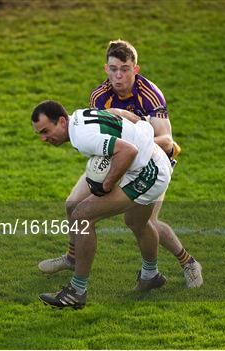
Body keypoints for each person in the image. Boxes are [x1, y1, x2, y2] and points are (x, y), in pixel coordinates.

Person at [38, 40, 203, 288]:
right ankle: (73, 258)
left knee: (142, 223)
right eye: (113, 69)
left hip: (151, 163)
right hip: (116, 158)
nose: (118, 75)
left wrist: (134, 137)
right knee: (73, 205)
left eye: (125, 69)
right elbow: (105, 135)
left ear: (135, 69)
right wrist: (125, 129)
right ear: (106, 69)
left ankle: (188, 262)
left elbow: (167, 141)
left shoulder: (150, 94)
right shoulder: (99, 95)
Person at [32, 100, 173, 309]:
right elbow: (118, 113)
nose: (44, 138)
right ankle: (150, 275)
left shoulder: (83, 137)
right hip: (154, 159)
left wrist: (106, 185)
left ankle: (77, 292)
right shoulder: (80, 115)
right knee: (137, 223)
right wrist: (139, 128)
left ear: (62, 121)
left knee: (82, 216)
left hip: (148, 172)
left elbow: (128, 151)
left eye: (45, 131)